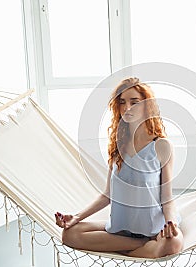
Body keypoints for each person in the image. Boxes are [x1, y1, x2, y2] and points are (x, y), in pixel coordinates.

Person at [55, 77, 184, 258]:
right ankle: (141, 246)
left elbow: (167, 198)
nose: (127, 107)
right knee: (69, 234)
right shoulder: (118, 146)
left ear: (147, 106)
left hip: (154, 228)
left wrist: (172, 225)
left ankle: (133, 245)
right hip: (122, 229)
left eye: (134, 102)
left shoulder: (161, 146)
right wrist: (76, 217)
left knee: (174, 243)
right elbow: (107, 195)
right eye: (122, 102)